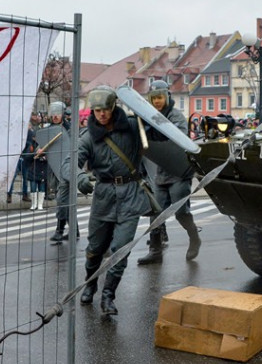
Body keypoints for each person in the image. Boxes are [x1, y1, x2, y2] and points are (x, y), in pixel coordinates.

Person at [75, 85, 151, 315]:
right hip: (104, 197)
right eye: (97, 110)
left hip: (130, 195)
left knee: (121, 250)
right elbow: (71, 160)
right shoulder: (88, 137)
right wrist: (79, 176)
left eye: (105, 109)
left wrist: (146, 111)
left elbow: (159, 131)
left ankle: (108, 295)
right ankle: (90, 284)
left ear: (113, 107)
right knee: (94, 249)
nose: (101, 114)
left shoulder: (133, 127)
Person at [136, 80, 201, 264]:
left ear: (167, 97)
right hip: (161, 172)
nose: (157, 101)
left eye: (160, 97)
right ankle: (155, 250)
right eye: (154, 98)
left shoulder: (176, 116)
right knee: (156, 213)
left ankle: (194, 237)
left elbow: (177, 140)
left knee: (181, 213)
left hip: (178, 171)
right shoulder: (149, 116)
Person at [38, 101, 74, 242]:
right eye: (53, 113)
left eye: (57, 113)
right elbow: (42, 146)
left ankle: (59, 230)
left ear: (63, 114)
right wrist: (40, 150)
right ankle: (75, 231)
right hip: (53, 168)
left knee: (61, 200)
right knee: (66, 202)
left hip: (67, 169)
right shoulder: (48, 130)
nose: (55, 116)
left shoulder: (70, 129)